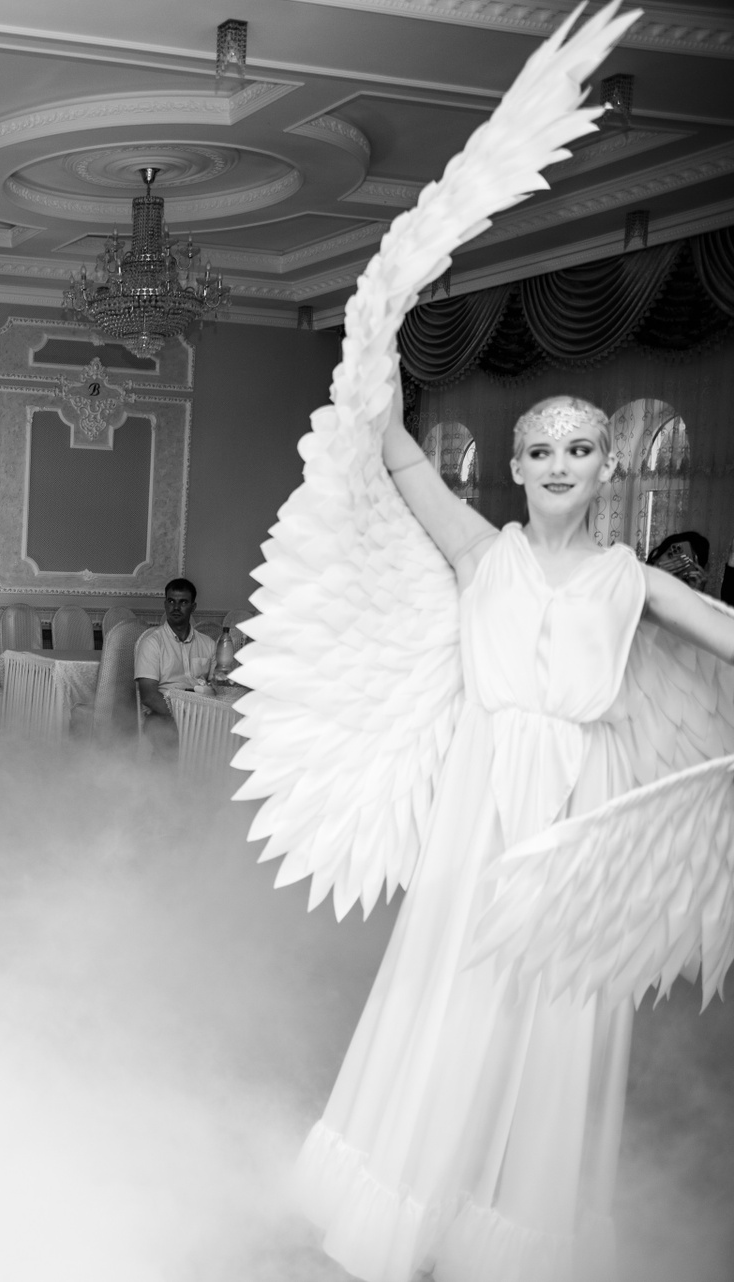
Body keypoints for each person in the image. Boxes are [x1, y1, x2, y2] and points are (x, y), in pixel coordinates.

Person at [230, 9, 734, 1278]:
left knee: (557, 1009)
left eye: (581, 448)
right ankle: (405, 1205)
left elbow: (725, 636)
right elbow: (395, 453)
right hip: (482, 790)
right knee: (453, 986)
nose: (560, 463)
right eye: (542, 448)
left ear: (608, 465)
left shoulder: (632, 578)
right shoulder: (481, 552)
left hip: (581, 800)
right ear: (516, 463)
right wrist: (377, 327)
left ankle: (514, 1234)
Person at [133, 578, 216, 759]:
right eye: (171, 601)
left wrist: (201, 715)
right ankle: (166, 777)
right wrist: (183, 716)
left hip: (201, 713)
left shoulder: (208, 644)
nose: (176, 607)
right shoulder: (152, 643)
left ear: (193, 607)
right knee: (169, 736)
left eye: (183, 602)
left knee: (225, 734)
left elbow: (215, 688)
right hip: (162, 714)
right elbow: (148, 696)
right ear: (165, 604)